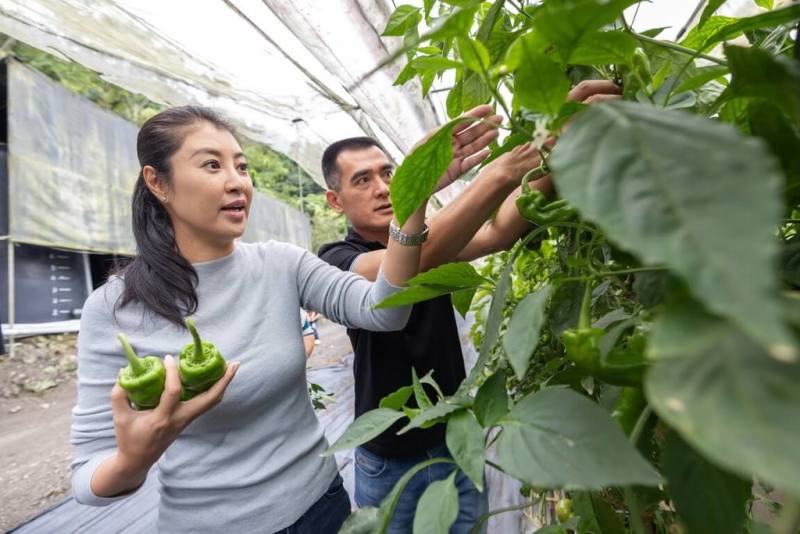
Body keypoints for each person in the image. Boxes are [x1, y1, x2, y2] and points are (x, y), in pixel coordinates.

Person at [69, 105, 447, 533]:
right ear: (158, 182)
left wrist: (413, 204)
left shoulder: (281, 264)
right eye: (212, 165)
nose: (237, 183)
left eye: (242, 166)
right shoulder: (115, 307)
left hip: (323, 506)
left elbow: (386, 312)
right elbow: (87, 475)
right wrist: (133, 460)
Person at [317, 81, 622, 532]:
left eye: (389, 173)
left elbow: (498, 230)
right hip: (390, 458)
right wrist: (496, 173)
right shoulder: (337, 261)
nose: (382, 187)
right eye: (363, 180)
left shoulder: (432, 243)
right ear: (335, 200)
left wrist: (553, 143)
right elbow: (416, 255)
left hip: (456, 436)